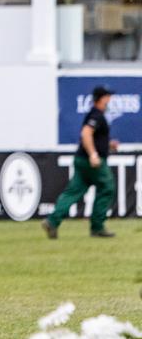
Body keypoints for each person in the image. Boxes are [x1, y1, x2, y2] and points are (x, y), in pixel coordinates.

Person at [45, 85, 117, 239]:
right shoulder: (96, 115)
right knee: (107, 187)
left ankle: (52, 221)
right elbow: (86, 134)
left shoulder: (94, 114)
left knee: (73, 192)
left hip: (81, 160)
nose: (110, 99)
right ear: (101, 98)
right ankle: (97, 227)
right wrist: (93, 154)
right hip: (92, 162)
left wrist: (108, 144)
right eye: (108, 96)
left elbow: (93, 136)